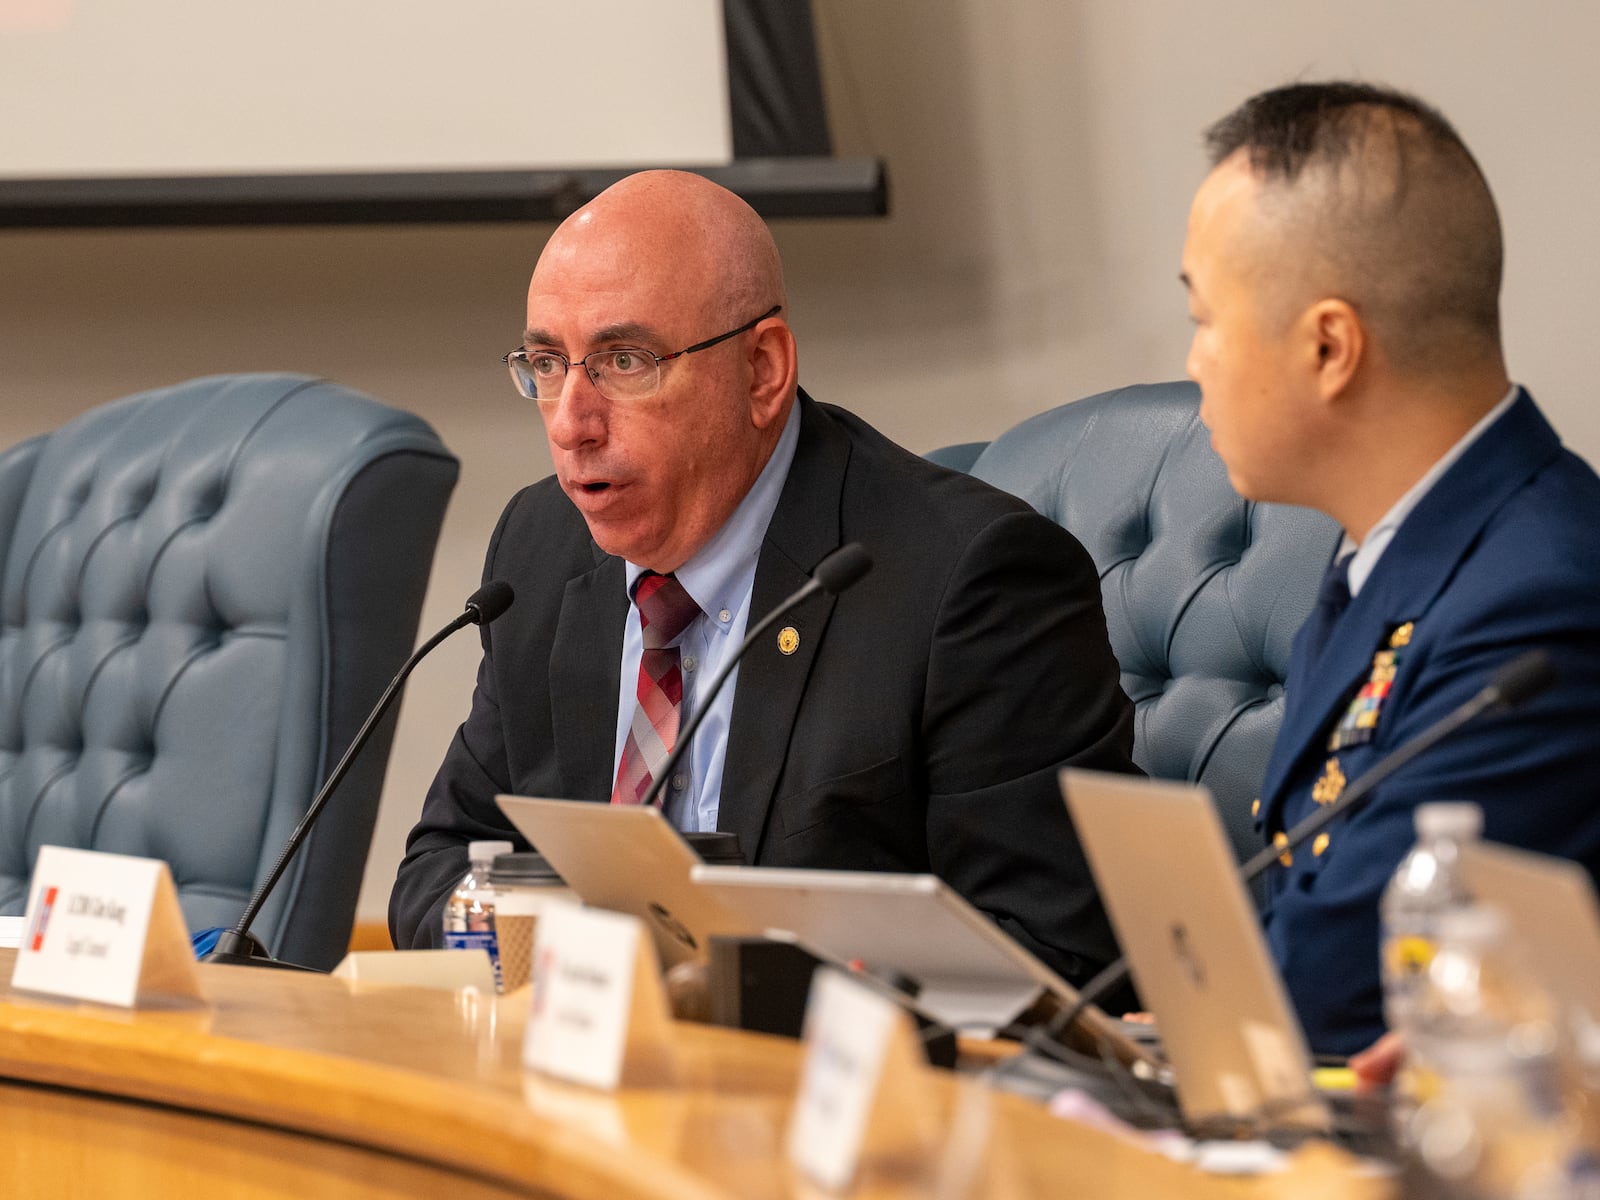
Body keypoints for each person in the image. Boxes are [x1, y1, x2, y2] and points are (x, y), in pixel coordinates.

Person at [390, 170, 1139, 986]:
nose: (571, 421)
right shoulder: (542, 548)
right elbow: (442, 866)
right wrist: (553, 955)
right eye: (546, 363)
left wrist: (742, 992)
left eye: (625, 360)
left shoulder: (969, 582)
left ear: (761, 371)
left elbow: (1052, 956)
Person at [1182, 82, 1600, 1055]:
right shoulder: (1396, 548)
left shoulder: (1539, 599)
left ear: (1330, 345)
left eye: (1206, 319)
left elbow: (1334, 985)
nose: (1193, 361)